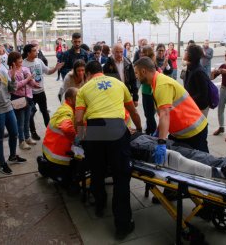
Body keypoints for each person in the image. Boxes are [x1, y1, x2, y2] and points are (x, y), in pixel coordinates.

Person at [75, 61, 142, 240]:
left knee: (97, 171)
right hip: (117, 129)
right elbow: (133, 112)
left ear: (88, 73)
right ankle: (122, 225)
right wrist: (139, 128)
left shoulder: (83, 89)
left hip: (95, 130)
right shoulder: (119, 84)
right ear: (102, 72)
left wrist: (82, 136)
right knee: (121, 177)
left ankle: (99, 206)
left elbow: (79, 118)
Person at [134, 56, 209, 153]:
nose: (136, 76)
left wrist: (161, 142)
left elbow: (165, 114)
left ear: (143, 71)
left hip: (194, 132)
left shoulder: (161, 85)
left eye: (136, 73)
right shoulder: (157, 82)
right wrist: (158, 131)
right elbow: (164, 113)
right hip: (182, 133)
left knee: (203, 163)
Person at [41, 87, 79, 191]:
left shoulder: (67, 108)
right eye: (78, 98)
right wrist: (76, 138)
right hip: (57, 155)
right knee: (70, 183)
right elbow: (66, 128)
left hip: (51, 149)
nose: (80, 101)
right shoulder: (66, 111)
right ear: (70, 100)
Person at [23, 44, 64, 128]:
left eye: (36, 50)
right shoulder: (23, 64)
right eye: (34, 51)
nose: (37, 52)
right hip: (30, 94)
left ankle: (49, 130)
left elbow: (48, 72)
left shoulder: (39, 61)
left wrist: (56, 68)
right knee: (31, 114)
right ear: (28, 53)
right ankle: (33, 132)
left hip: (41, 92)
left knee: (45, 111)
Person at [7, 51, 39, 150]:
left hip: (28, 97)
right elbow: (16, 86)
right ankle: (21, 141)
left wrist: (34, 84)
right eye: (18, 59)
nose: (21, 60)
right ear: (13, 61)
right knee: (20, 122)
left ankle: (27, 137)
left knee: (27, 120)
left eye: (21, 58)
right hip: (18, 98)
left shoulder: (25, 69)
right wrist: (27, 79)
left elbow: (30, 81)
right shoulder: (10, 72)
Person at [183, 44, 210, 117]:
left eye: (186, 51)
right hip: (193, 105)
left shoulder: (198, 72)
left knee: (201, 127)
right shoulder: (190, 68)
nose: (184, 52)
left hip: (200, 107)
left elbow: (203, 94)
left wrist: (188, 100)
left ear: (190, 55)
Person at [139, 45, 158, 135]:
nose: (141, 54)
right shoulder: (146, 62)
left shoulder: (150, 64)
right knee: (148, 114)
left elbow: (149, 79)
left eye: (143, 52)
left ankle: (152, 132)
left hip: (149, 92)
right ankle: (150, 130)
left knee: (150, 115)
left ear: (147, 53)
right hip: (145, 91)